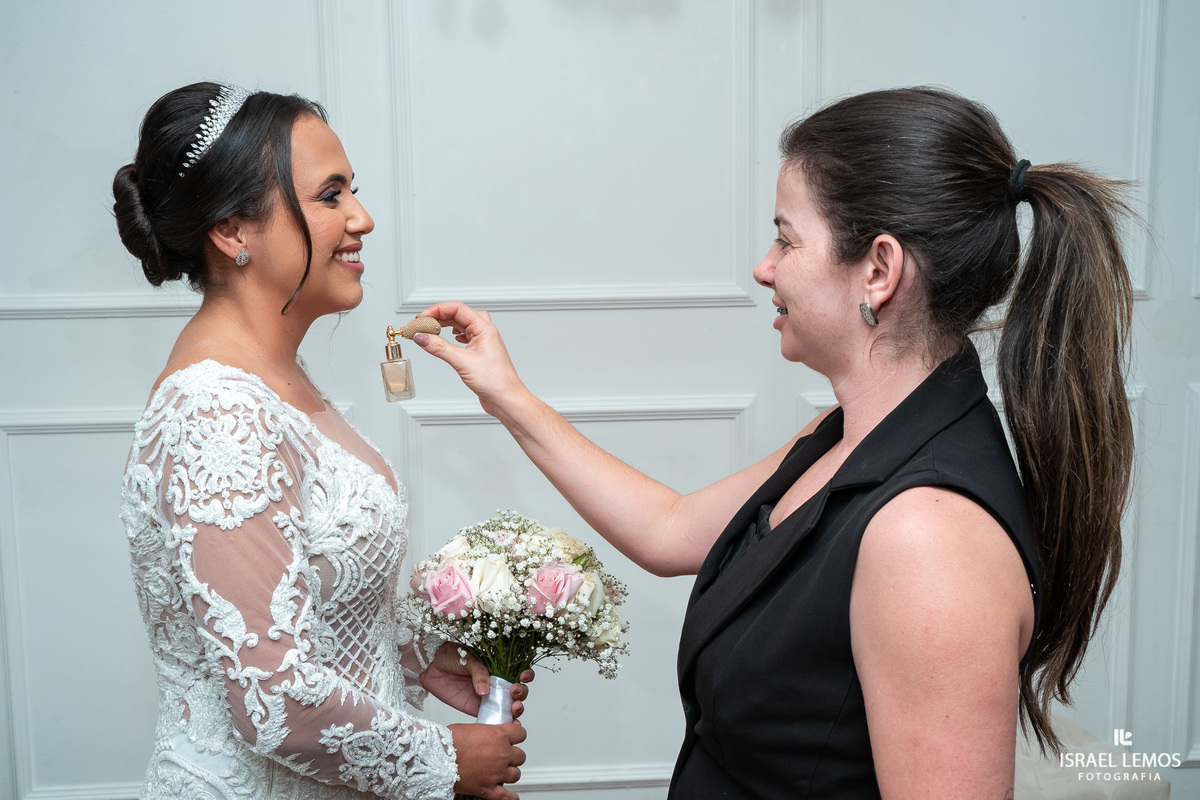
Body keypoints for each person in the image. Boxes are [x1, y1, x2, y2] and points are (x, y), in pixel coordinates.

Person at [409, 87, 1135, 798]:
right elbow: (668, 530)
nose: (764, 267)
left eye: (786, 238)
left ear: (878, 271)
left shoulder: (927, 535)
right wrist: (505, 393)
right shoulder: (846, 433)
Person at [115, 82, 530, 800]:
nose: (361, 218)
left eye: (352, 191)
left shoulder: (276, 379)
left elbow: (300, 600)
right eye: (330, 195)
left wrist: (419, 659)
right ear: (233, 230)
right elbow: (274, 701)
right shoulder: (216, 410)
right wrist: (443, 761)